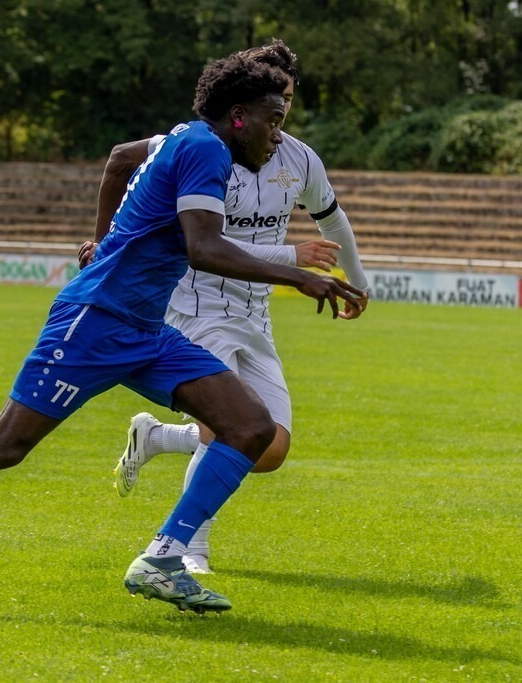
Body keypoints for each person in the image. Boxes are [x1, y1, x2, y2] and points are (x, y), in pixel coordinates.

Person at [0, 53, 363, 614]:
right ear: (239, 116)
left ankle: (164, 558)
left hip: (146, 328)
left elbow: (126, 168)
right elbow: (204, 247)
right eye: (273, 119)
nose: (279, 134)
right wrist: (300, 275)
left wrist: (105, 241)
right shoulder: (203, 148)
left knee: (250, 427)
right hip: (94, 322)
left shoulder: (198, 144)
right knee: (4, 445)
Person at [79, 40, 370, 575]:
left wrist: (358, 282)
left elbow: (332, 219)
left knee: (271, 448)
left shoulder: (299, 159)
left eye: (285, 96)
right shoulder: (201, 146)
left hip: (254, 313)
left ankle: (160, 438)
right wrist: (104, 247)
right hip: (192, 305)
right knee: (224, 425)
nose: (279, 107)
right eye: (270, 96)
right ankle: (189, 550)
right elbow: (133, 171)